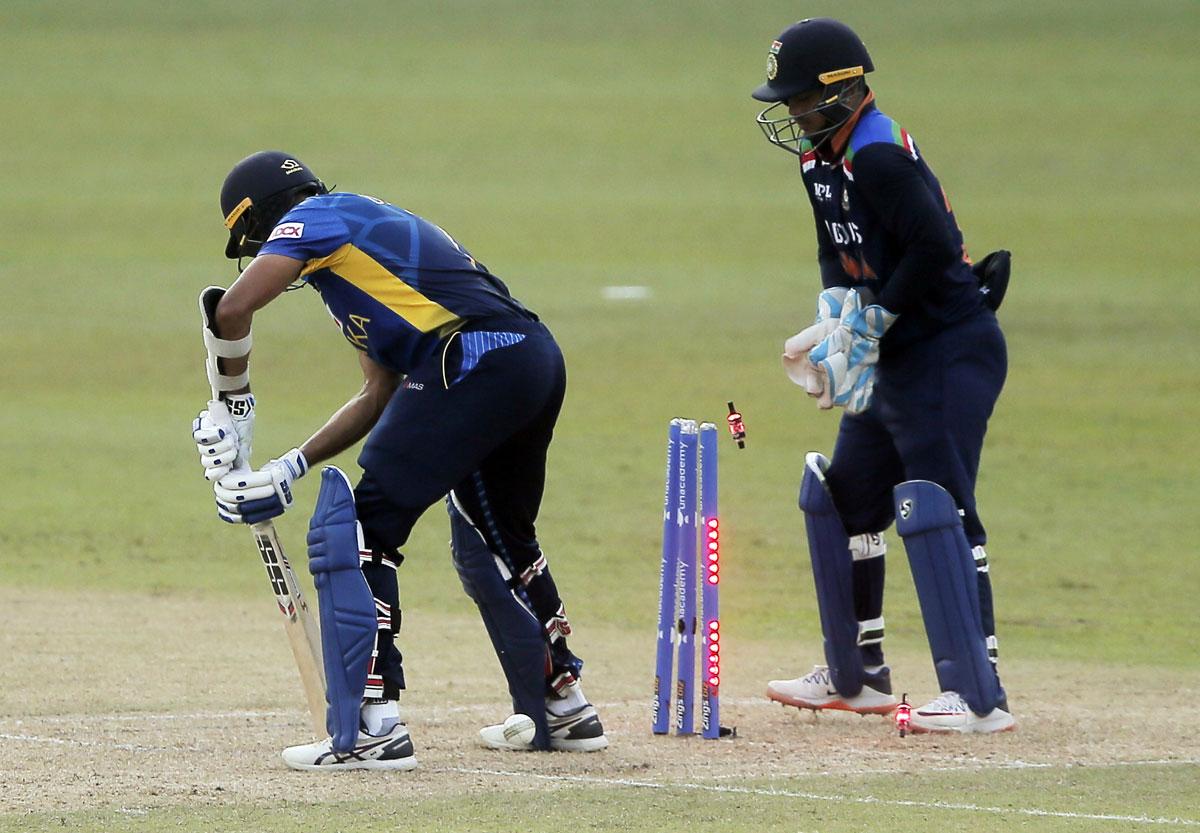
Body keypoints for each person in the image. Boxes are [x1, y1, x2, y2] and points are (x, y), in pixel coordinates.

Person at [191, 151, 609, 770]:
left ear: (262, 223)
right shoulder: (357, 261)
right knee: (496, 537)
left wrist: (232, 407)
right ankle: (563, 707)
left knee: (362, 529)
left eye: (255, 243)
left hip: (472, 356)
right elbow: (377, 393)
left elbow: (229, 308)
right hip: (526, 356)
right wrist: (289, 467)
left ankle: (371, 725)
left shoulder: (318, 216)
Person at [751, 19, 1014, 733]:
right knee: (845, 497)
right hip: (896, 351)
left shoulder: (878, 157)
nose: (793, 112)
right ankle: (856, 673)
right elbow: (835, 251)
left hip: (948, 348)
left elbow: (933, 248)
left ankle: (978, 693)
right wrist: (837, 322)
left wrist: (873, 323)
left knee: (937, 504)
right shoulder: (818, 163)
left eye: (802, 98)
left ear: (843, 91)